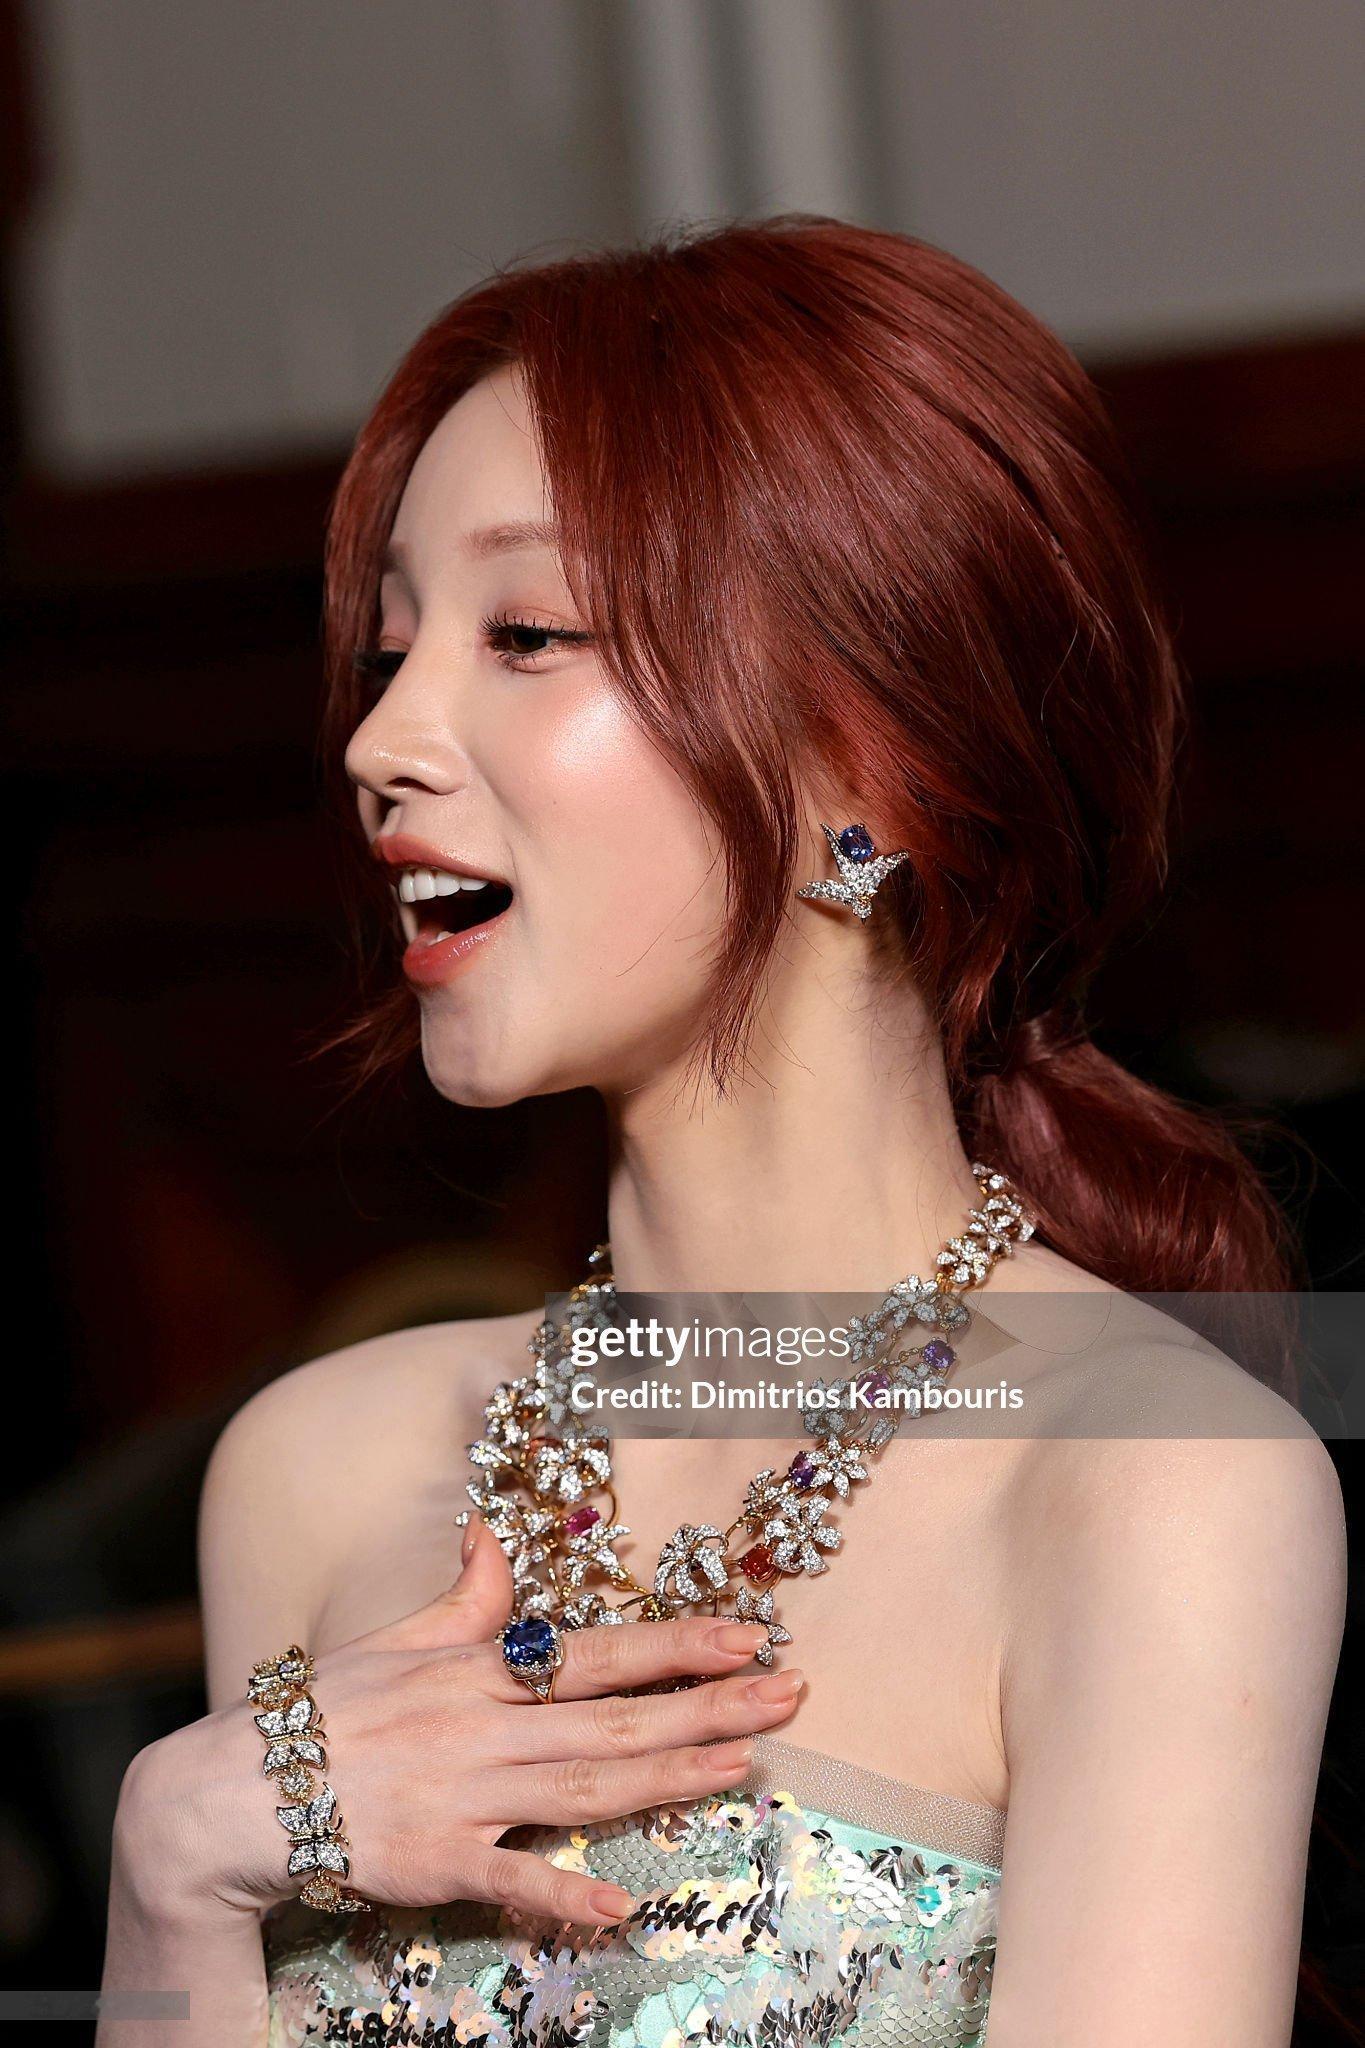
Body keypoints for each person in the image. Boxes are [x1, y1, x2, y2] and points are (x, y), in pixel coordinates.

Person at [99, 216, 1345, 2047]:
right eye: (389, 650)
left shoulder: (1151, 1483)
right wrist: (172, 1863)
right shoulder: (318, 1465)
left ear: (874, 763)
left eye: (527, 634)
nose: (380, 739)